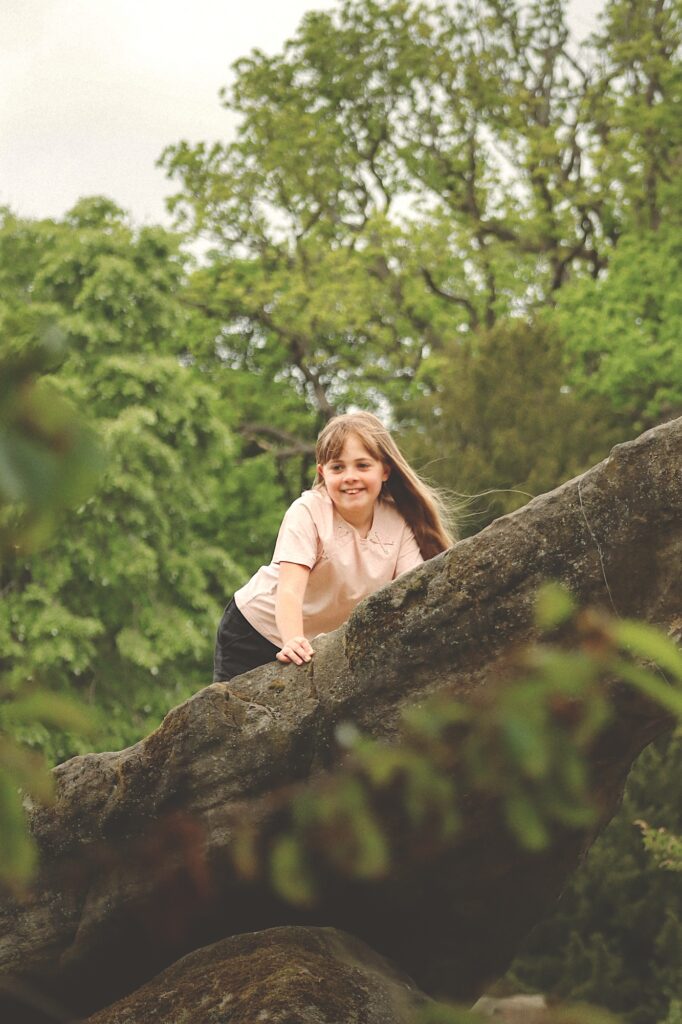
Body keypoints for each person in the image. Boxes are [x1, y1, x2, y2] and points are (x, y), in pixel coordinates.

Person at [213, 411, 454, 682]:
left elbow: (410, 591)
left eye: (362, 466)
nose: (350, 476)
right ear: (322, 472)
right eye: (338, 468)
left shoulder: (398, 523)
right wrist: (292, 639)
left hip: (316, 642)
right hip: (255, 630)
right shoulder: (308, 512)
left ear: (385, 470)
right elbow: (289, 590)